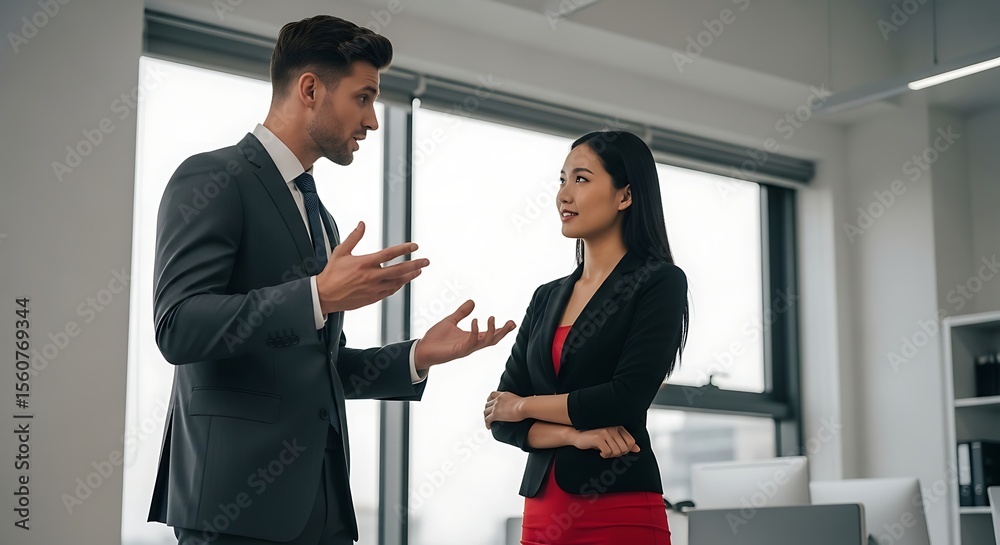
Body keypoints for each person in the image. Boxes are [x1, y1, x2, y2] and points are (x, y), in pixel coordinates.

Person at [148, 15, 515, 545]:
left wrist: (416, 357)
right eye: (363, 98)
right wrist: (317, 295)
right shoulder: (213, 179)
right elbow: (178, 328)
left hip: (320, 510)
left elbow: (316, 367)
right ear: (311, 89)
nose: (373, 121)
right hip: (232, 509)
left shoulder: (321, 218)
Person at [484, 130, 689, 545]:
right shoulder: (546, 297)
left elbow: (624, 397)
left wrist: (523, 406)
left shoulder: (658, 282)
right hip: (542, 514)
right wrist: (573, 434)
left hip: (619, 510)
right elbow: (499, 422)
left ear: (625, 196)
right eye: (561, 180)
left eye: (580, 179)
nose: (563, 194)